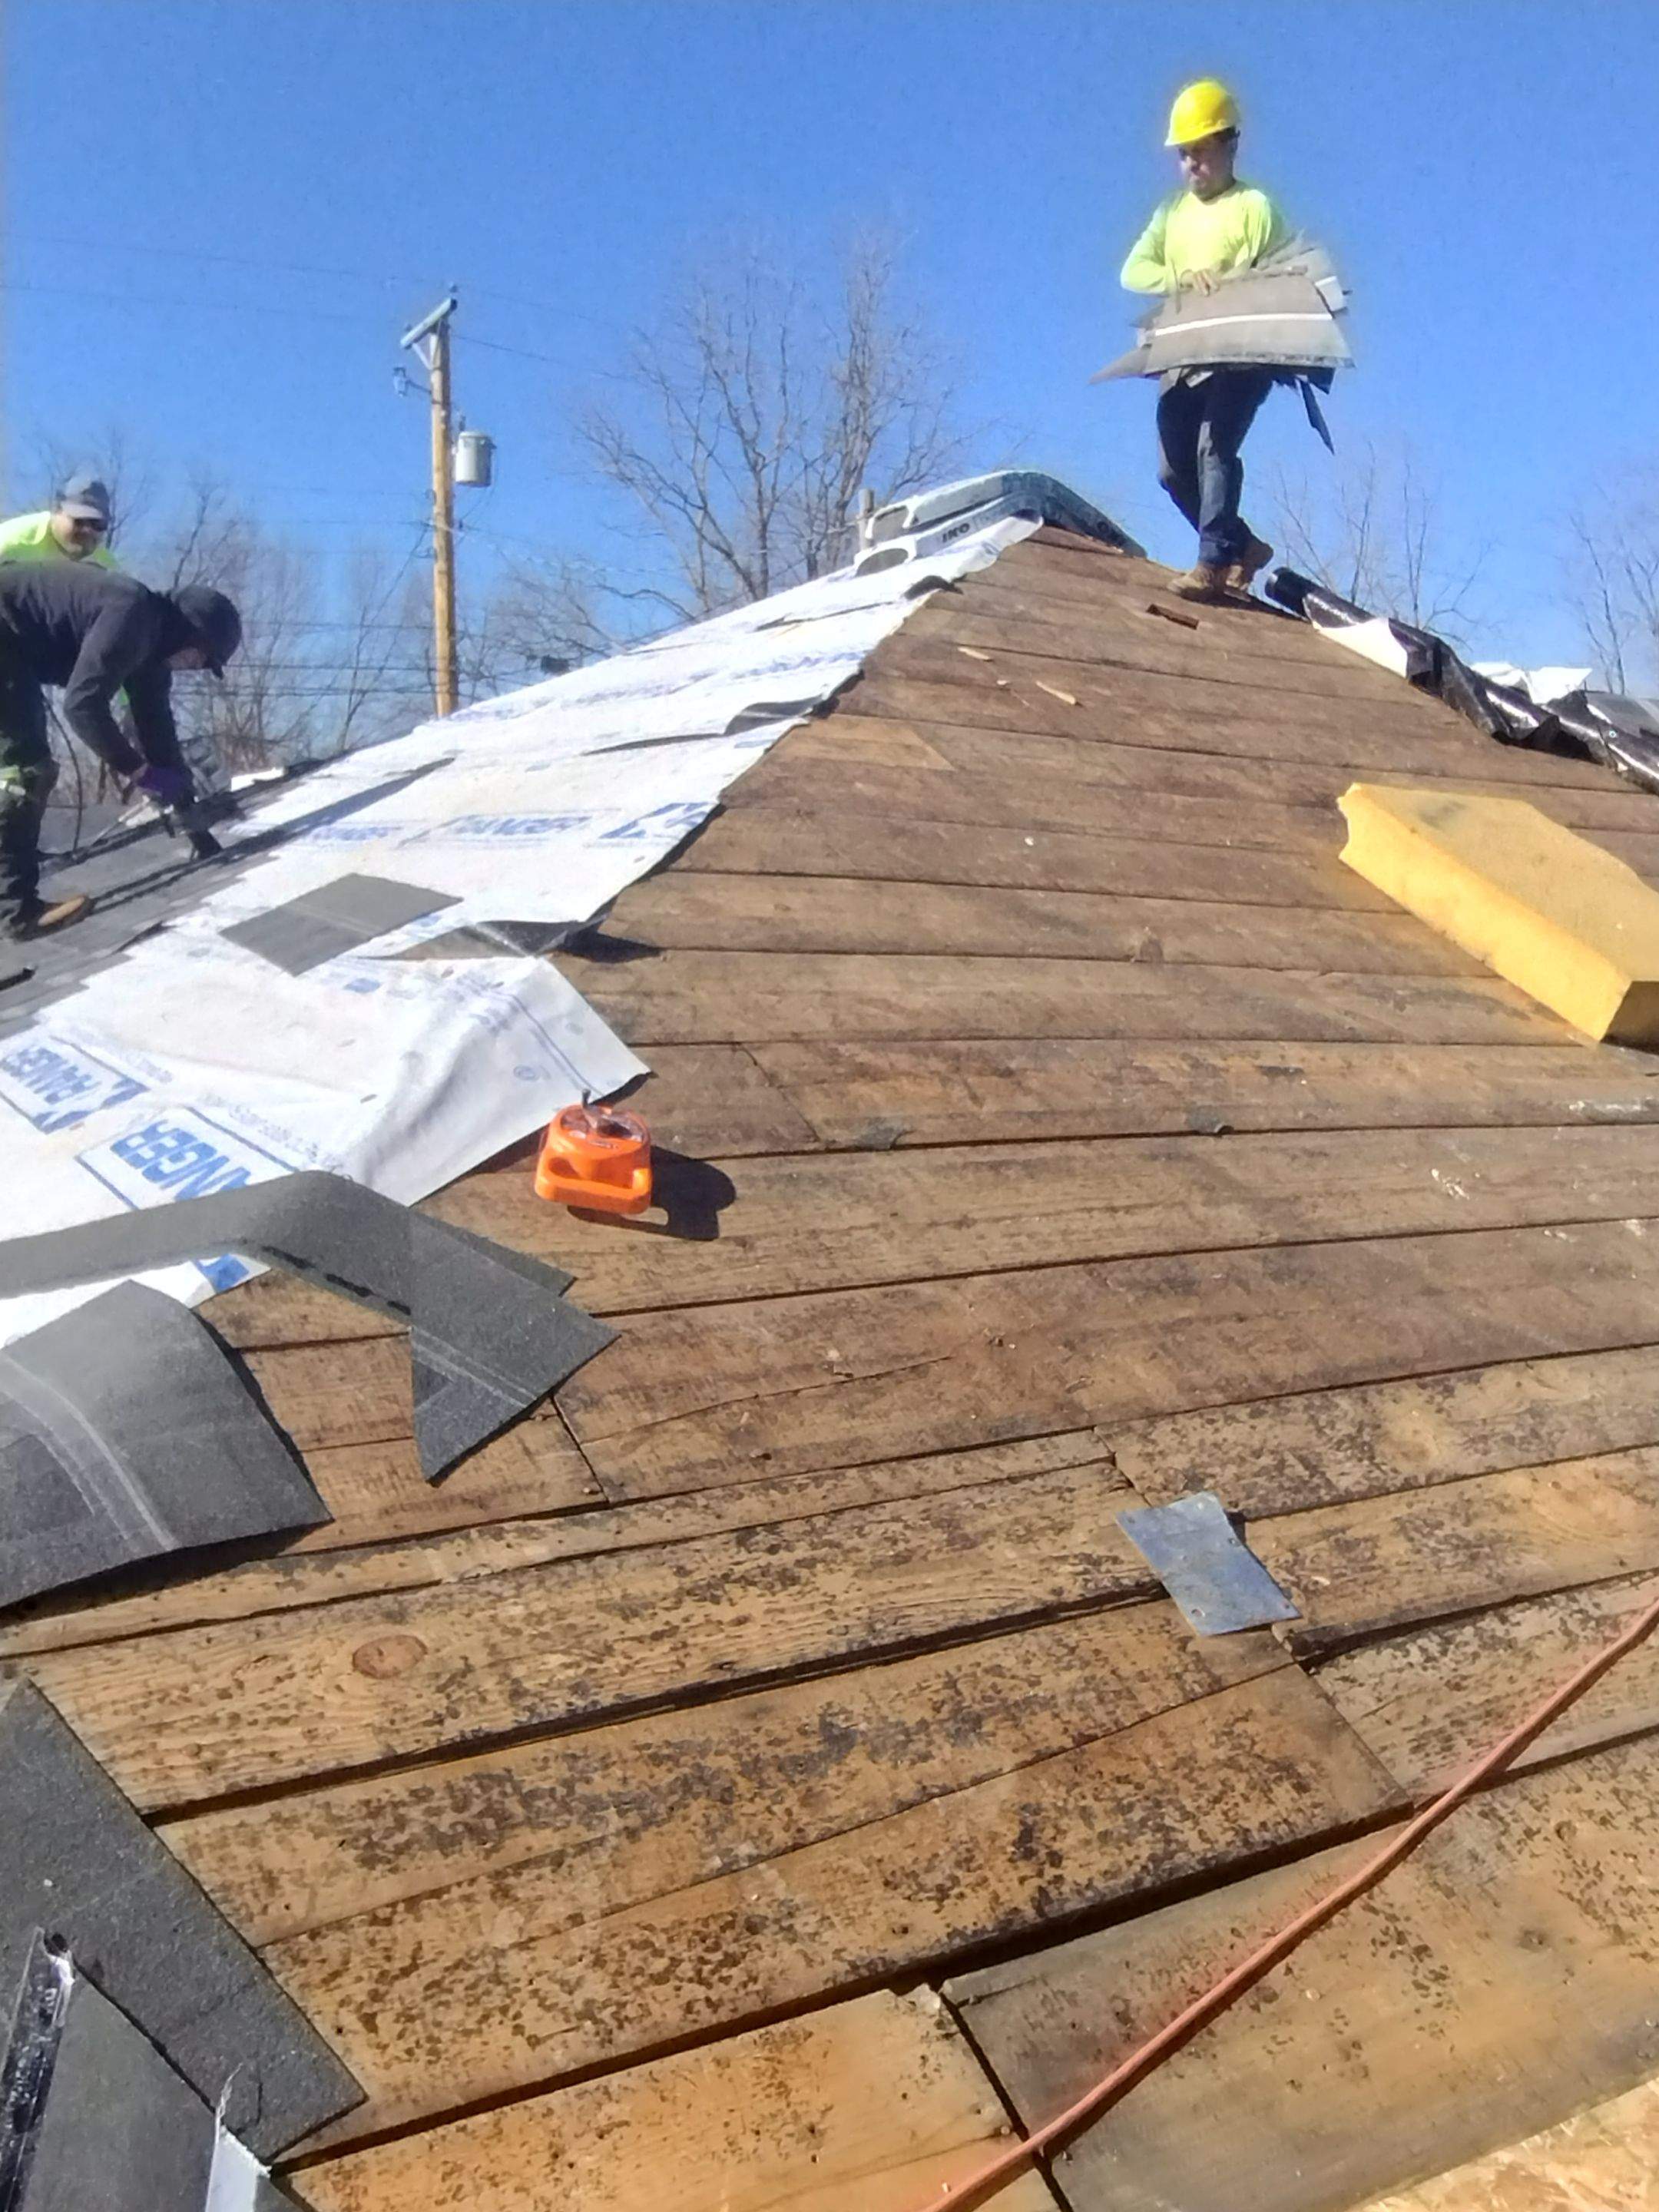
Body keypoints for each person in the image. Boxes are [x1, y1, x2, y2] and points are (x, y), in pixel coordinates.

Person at [0, 564, 241, 941]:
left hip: (12, 647)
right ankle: (18, 912)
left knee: (29, 765)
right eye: (201, 658)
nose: (195, 668)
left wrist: (190, 816)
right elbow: (82, 707)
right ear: (190, 631)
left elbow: (157, 732)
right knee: (26, 770)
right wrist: (139, 771)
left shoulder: (151, 655)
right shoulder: (133, 615)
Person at [1121, 79, 1287, 600]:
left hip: (1242, 353)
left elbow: (1283, 279)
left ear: (1229, 146)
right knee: (1174, 470)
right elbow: (1133, 270)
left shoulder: (1254, 207)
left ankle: (1212, 563)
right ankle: (1243, 546)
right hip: (1184, 350)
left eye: (1202, 152)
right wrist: (1181, 277)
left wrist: (1237, 286)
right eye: (1184, 155)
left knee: (1214, 448)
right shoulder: (1172, 214)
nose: (1193, 165)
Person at [0, 475, 120, 570]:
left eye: (97, 524)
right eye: (79, 520)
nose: (87, 530)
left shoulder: (107, 568)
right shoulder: (9, 545)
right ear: (56, 511)